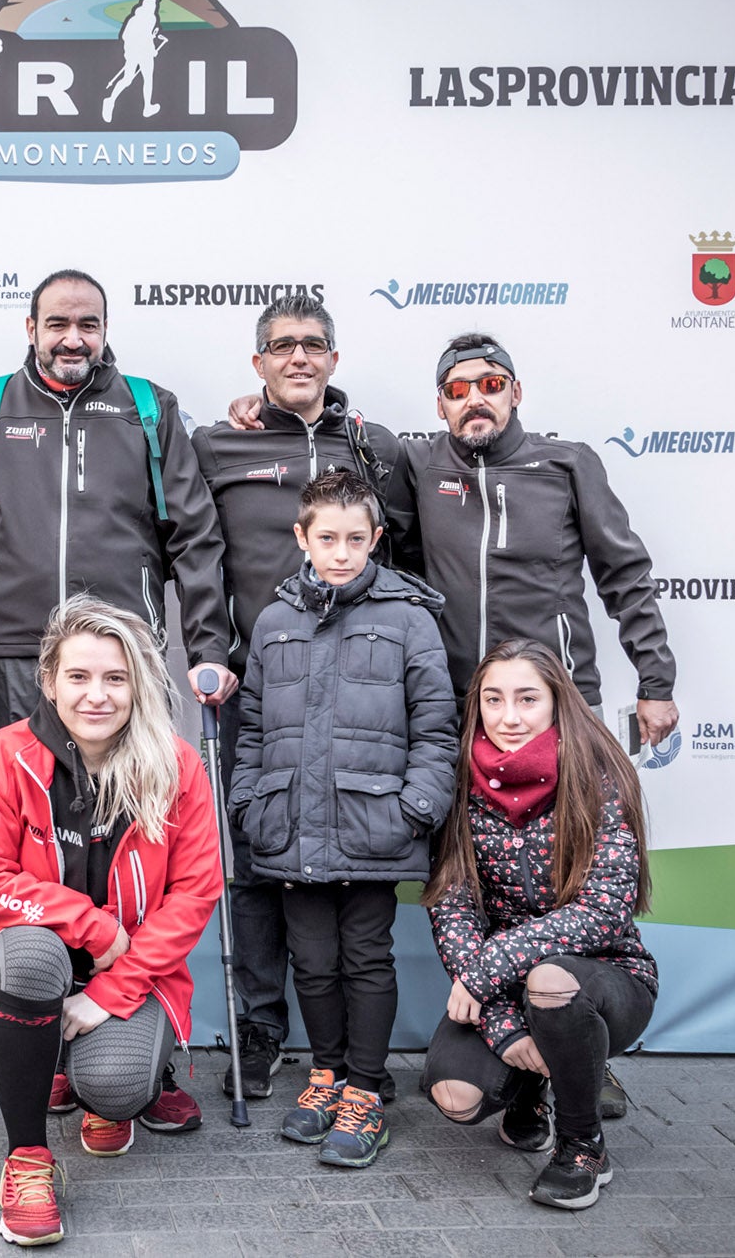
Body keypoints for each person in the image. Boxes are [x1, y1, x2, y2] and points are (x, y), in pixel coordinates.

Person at [193, 292, 416, 1100]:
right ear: (258, 363)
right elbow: (191, 556)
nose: (298, 357)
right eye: (282, 345)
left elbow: (411, 562)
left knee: (356, 876)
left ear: (333, 358)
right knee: (252, 866)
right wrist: (211, 653)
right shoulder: (218, 443)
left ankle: (353, 1060)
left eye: (313, 344)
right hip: (258, 694)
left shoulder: (379, 448)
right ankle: (259, 1028)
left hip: (361, 698)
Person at [0, 597, 223, 1246]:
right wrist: (95, 928)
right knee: (36, 957)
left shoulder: (177, 764)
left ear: (137, 685)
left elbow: (195, 891)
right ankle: (27, 1161)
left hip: (130, 971)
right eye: (79, 676)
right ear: (49, 680)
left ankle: (107, 1073)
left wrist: (112, 988)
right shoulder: (7, 755)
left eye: (115, 677)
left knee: (116, 1086)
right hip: (32, 955)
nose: (96, 694)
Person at [227, 469, 457, 1168]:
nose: (341, 551)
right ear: (302, 537)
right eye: (327, 537)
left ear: (376, 540)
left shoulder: (409, 617)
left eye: (356, 538)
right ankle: (325, 1075)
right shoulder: (273, 621)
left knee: (365, 957)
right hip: (292, 828)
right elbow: (255, 728)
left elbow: (437, 727)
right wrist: (249, 800)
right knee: (314, 963)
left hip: (372, 828)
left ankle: (366, 1088)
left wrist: (415, 807)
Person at [0, 268, 235, 730]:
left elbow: (194, 537)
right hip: (16, 652)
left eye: (88, 325)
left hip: (124, 651)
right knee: (23, 798)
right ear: (31, 329)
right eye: (57, 325)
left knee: (130, 799)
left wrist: (208, 650)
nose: (73, 339)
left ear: (105, 330)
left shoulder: (149, 407)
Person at [421, 639, 659, 1211]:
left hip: (603, 979)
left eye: (527, 699)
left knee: (551, 981)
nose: (508, 717)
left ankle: (584, 1147)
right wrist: (503, 1023)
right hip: (501, 984)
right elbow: (452, 906)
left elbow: (603, 912)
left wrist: (488, 970)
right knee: (455, 1096)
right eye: (493, 700)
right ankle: (528, 1091)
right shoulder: (459, 780)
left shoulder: (600, 776)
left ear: (556, 702)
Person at [406, 333, 677, 751]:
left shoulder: (567, 465)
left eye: (491, 385)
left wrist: (656, 683)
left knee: (580, 820)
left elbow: (625, 578)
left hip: (561, 702)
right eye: (457, 390)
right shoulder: (419, 463)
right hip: (456, 708)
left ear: (515, 392)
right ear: (441, 405)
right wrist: (264, 411)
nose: (475, 399)